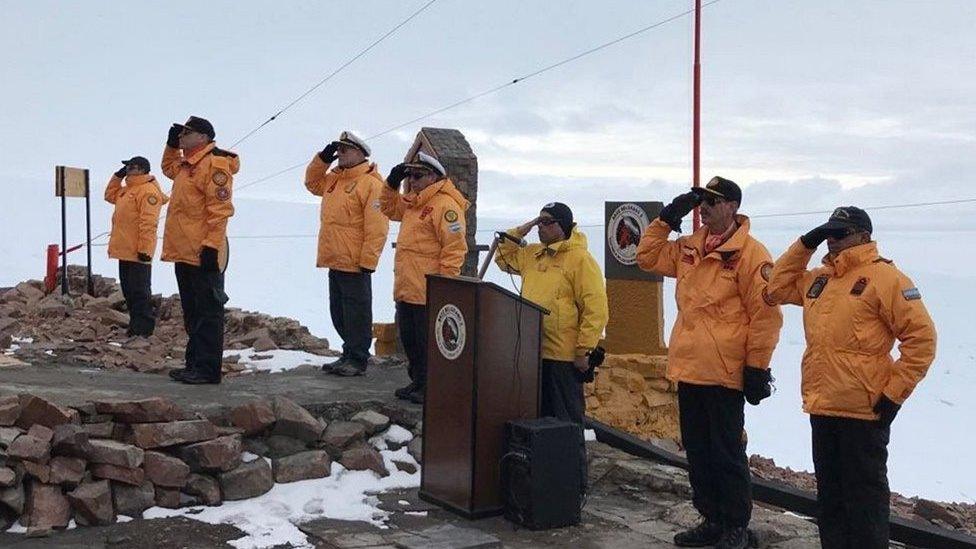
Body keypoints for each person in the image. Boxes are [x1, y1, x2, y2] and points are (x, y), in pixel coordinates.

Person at [766, 207, 936, 548]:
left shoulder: (887, 279)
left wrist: (892, 396)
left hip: (864, 411)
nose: (832, 239)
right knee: (830, 500)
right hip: (823, 404)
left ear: (863, 235)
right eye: (828, 232)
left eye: (840, 233)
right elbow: (776, 287)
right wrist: (805, 243)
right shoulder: (820, 279)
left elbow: (922, 340)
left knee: (865, 503)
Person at [636, 176, 783, 549]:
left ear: (732, 207)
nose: (705, 209)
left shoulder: (752, 254)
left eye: (712, 203)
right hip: (689, 367)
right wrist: (667, 219)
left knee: (726, 453)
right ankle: (711, 519)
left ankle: (736, 525)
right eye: (701, 203)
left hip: (724, 371)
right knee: (698, 451)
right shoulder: (689, 247)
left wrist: (757, 368)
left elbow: (765, 317)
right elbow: (647, 257)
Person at [495, 202, 608, 426]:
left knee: (565, 421)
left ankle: (570, 461)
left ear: (563, 225)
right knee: (535, 418)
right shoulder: (532, 254)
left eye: (547, 222)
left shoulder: (580, 260)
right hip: (531, 352)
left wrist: (584, 349)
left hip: (562, 357)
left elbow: (595, 308)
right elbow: (502, 257)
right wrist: (522, 229)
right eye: (539, 221)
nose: (541, 227)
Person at [380, 152, 468, 404]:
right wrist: (391, 183)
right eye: (410, 176)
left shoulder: (446, 206)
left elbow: (454, 250)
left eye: (418, 176)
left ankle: (430, 386)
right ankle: (417, 381)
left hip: (428, 290)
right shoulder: (414, 203)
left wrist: (444, 288)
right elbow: (387, 208)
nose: (413, 181)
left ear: (434, 177)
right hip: (408, 287)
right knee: (410, 340)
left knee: (427, 342)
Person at [160, 116, 238, 385]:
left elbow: (220, 211)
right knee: (193, 312)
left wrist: (211, 247)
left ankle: (207, 369)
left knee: (208, 312)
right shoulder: (186, 163)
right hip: (184, 251)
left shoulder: (215, 164)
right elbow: (168, 168)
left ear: (203, 137)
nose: (182, 136)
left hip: (202, 251)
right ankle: (194, 364)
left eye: (186, 133)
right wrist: (171, 145)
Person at [305, 131, 389, 376]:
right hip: (335, 257)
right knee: (339, 311)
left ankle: (358, 358)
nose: (339, 154)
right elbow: (312, 184)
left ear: (360, 153)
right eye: (338, 150)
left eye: (344, 150)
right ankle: (348, 354)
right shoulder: (334, 179)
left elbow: (377, 227)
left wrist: (369, 260)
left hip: (355, 260)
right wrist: (323, 158)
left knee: (357, 312)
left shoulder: (371, 184)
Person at [104, 156, 168, 337]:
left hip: (138, 252)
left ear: (141, 169)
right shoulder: (127, 190)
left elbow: (148, 223)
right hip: (124, 250)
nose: (128, 170)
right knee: (129, 291)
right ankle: (135, 326)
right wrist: (118, 176)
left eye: (131, 167)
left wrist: (145, 250)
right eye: (127, 167)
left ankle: (143, 330)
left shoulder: (147, 191)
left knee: (140, 292)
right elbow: (109, 195)